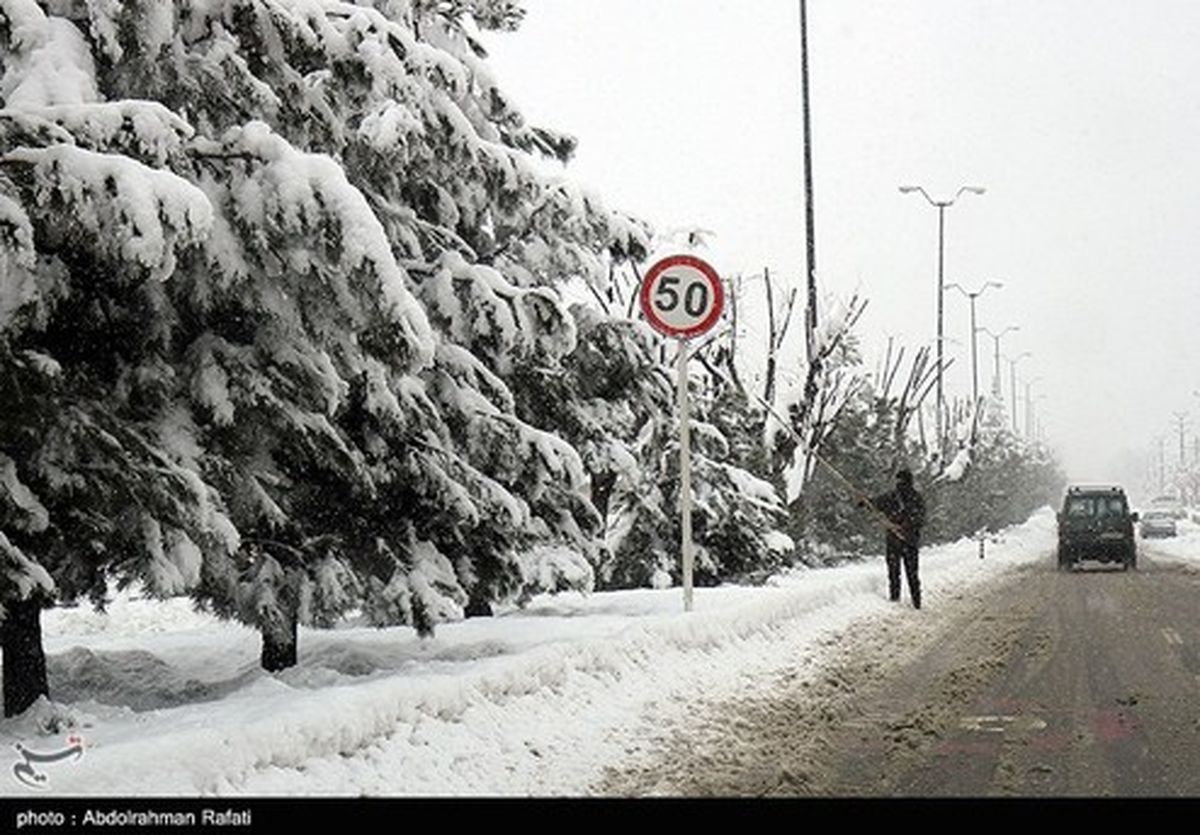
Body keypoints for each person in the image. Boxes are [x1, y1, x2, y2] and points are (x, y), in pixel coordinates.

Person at [862, 469, 926, 609]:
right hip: (909, 540)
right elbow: (920, 519)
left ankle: (895, 598)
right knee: (911, 573)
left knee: (894, 571)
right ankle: (916, 601)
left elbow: (875, 504)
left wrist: (865, 502)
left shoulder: (892, 496)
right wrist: (908, 526)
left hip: (896, 540)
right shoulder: (915, 497)